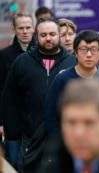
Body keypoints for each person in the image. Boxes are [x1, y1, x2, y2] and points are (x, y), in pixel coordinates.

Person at [2, 17, 76, 173]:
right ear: (36, 36)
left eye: (52, 34)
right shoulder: (22, 62)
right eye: (43, 35)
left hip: (64, 137)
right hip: (29, 137)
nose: (48, 38)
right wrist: (12, 133)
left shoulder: (73, 63)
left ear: (58, 35)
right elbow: (10, 100)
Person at [44, 29, 99, 136]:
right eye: (84, 50)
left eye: (93, 50)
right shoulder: (62, 79)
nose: (89, 55)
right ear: (75, 52)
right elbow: (51, 115)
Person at [0, 12, 36, 170]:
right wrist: (1, 122)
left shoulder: (42, 53)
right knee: (13, 163)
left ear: (33, 28)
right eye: (21, 28)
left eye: (28, 27)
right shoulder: (4, 55)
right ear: (14, 29)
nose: (25, 31)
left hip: (36, 121)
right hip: (12, 121)